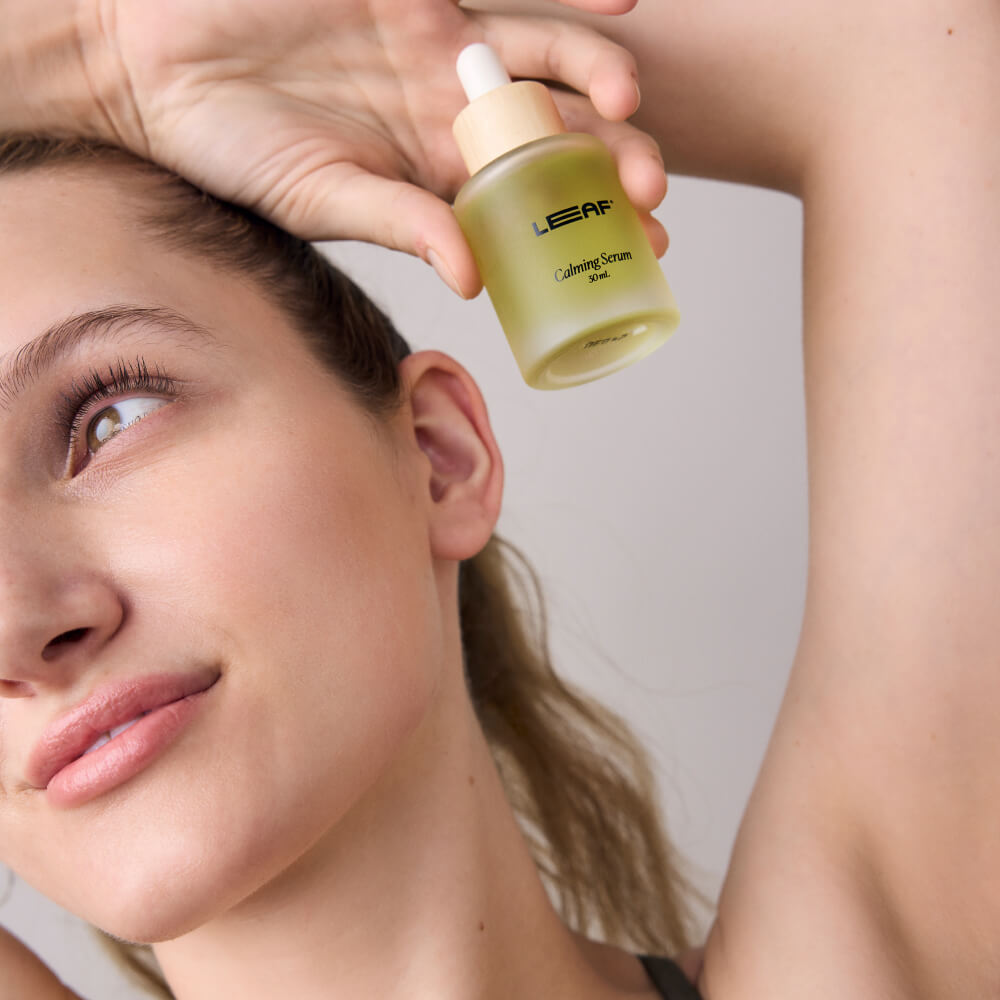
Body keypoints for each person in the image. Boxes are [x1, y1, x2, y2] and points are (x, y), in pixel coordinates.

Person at [2, 0, 999, 998]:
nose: (14, 622)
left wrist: (89, 55)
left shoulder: (874, 955)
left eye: (106, 418)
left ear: (439, 457)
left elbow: (916, 40)